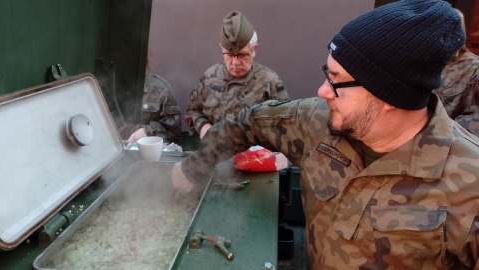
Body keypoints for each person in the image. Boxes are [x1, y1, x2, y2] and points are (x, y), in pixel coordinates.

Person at [172, 0, 479, 269]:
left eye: (336, 81)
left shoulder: (470, 187)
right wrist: (192, 168)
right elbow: (246, 122)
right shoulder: (314, 121)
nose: (321, 92)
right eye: (326, 73)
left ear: (388, 95)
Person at [185, 10, 290, 139]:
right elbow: (192, 112)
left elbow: (286, 124)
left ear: (254, 50)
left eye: (242, 54)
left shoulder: (270, 81)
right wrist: (204, 127)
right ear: (221, 49)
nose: (235, 62)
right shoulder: (209, 77)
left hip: (255, 156)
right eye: (229, 55)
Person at [433, 9, 479, 137]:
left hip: (445, 146)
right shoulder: (423, 62)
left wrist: (437, 132)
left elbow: (475, 121)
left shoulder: (474, 68)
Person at [118, 72, 182, 144]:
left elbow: (174, 132)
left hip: (146, 150)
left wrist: (147, 131)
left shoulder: (160, 89)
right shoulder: (106, 84)